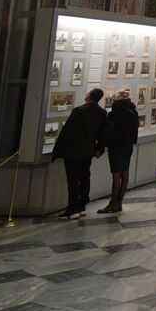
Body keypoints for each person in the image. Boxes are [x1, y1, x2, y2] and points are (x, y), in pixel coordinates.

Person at [51, 88, 108, 219]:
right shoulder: (102, 112)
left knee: (73, 180)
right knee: (84, 178)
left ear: (89, 96)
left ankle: (73, 208)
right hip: (88, 152)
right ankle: (82, 206)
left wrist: (57, 151)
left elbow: (67, 132)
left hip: (73, 151)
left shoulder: (79, 111)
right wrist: (99, 148)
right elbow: (103, 133)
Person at [97, 90, 138, 214]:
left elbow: (107, 132)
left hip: (116, 147)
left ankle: (113, 203)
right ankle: (119, 202)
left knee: (116, 175)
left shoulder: (114, 114)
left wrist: (101, 146)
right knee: (125, 173)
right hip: (128, 146)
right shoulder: (133, 112)